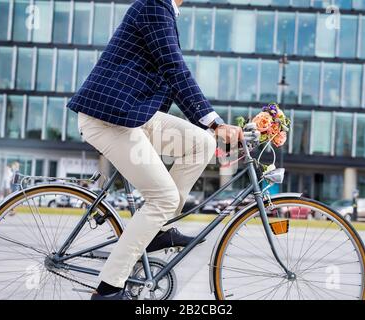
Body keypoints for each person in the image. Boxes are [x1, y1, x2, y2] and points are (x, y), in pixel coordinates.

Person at [67, 0, 243, 300]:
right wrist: (215, 122)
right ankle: (109, 289)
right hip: (108, 117)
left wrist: (211, 130)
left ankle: (156, 232)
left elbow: (173, 79)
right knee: (164, 197)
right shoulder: (153, 5)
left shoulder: (164, 11)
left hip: (132, 113)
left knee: (202, 144)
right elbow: (174, 68)